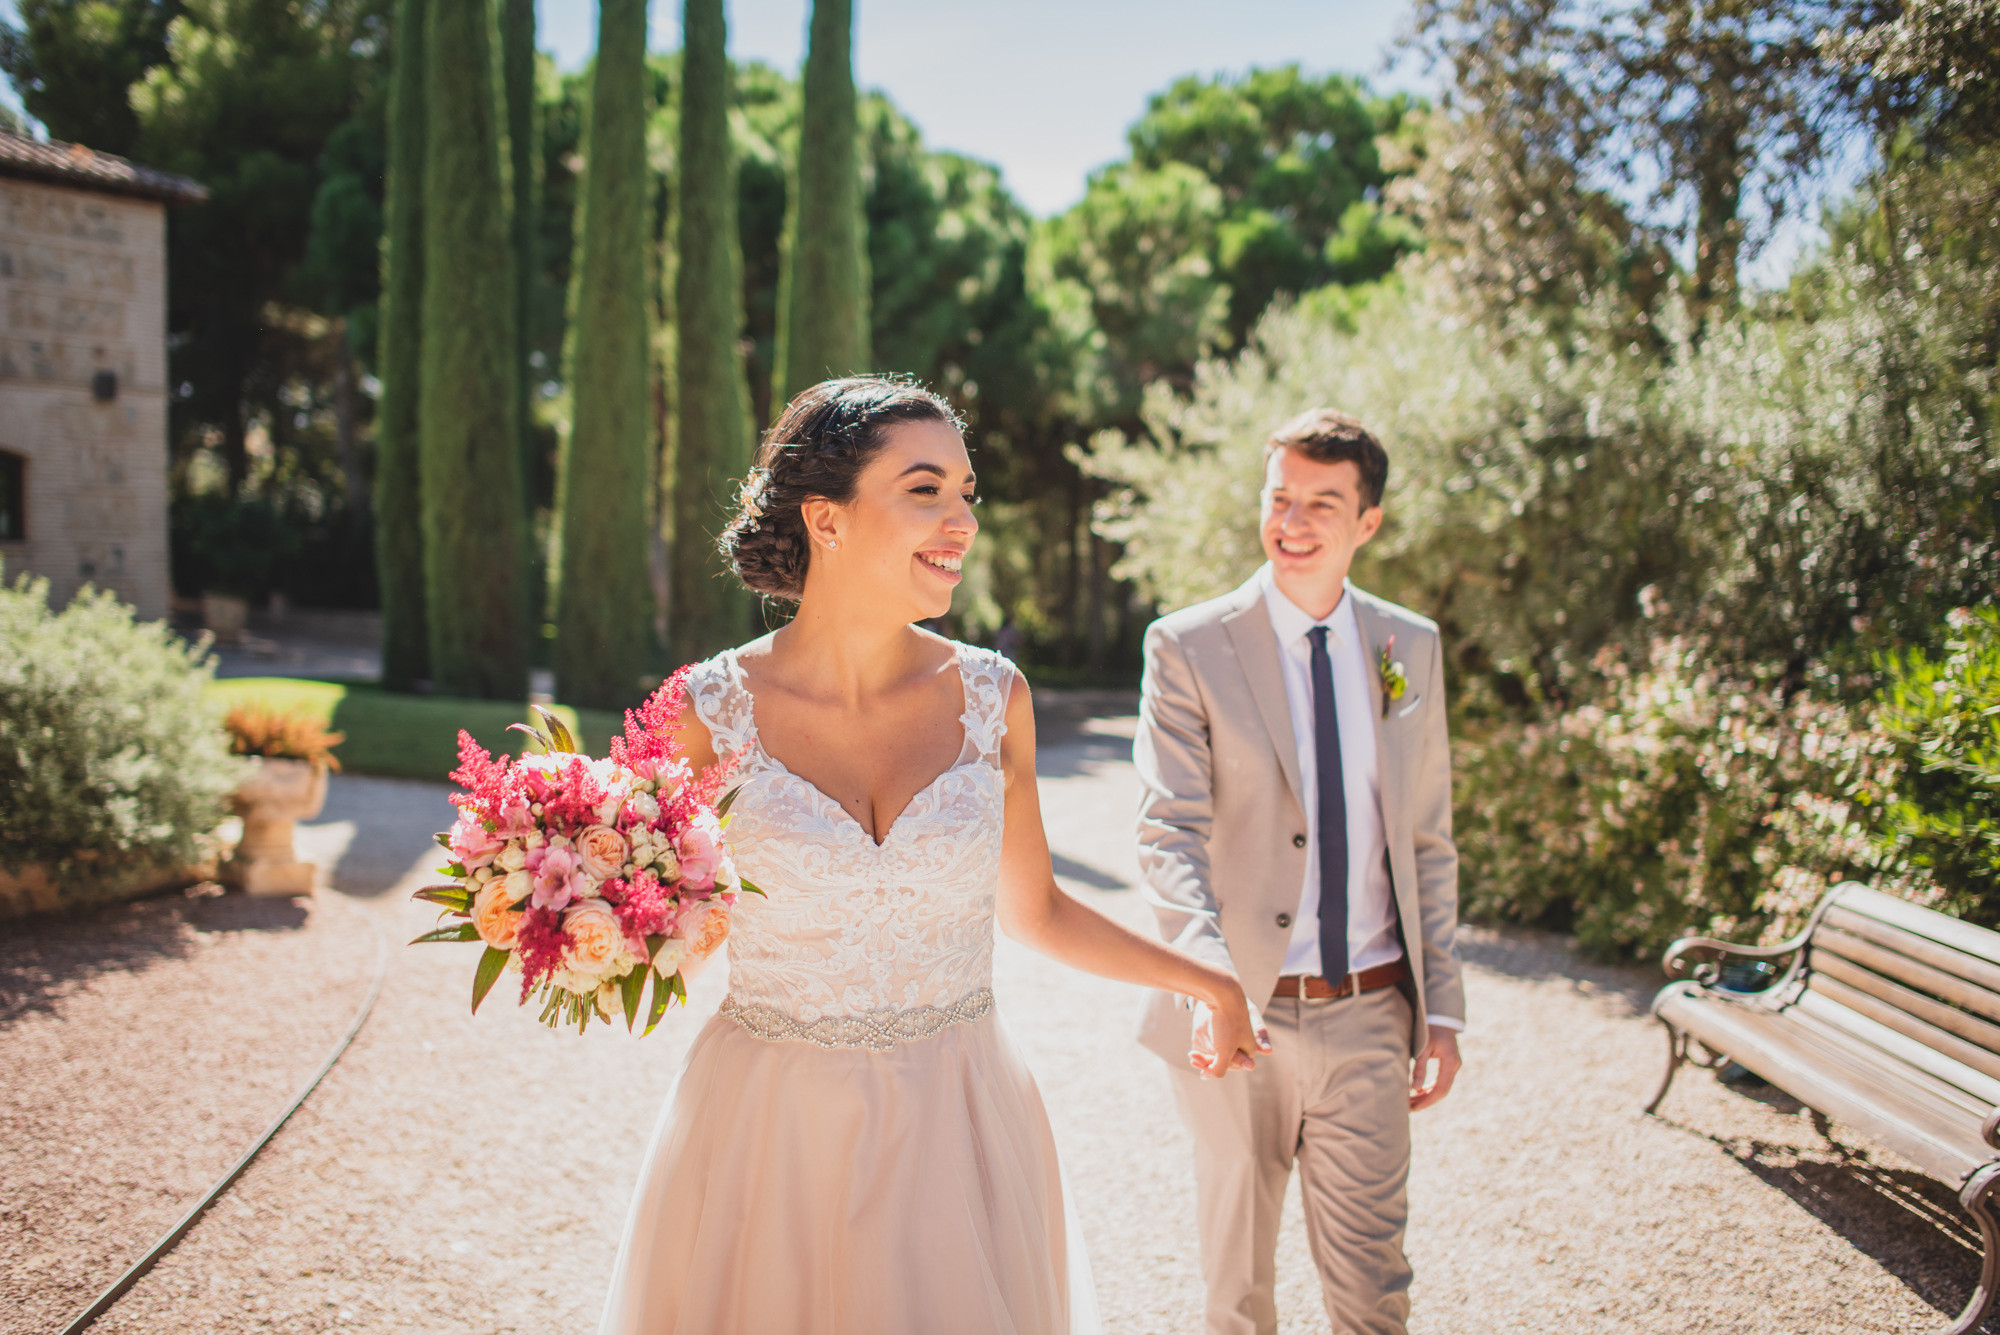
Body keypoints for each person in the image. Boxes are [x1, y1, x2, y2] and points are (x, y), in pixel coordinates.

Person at [598, 376, 1266, 1335]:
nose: (962, 519)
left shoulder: (998, 698)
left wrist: (1205, 980)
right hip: (766, 1128)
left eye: (966, 492)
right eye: (926, 489)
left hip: (961, 1116)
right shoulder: (704, 713)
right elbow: (629, 888)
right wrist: (573, 904)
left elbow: (1034, 910)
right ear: (826, 519)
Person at [1132, 408, 1466, 1335]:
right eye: (1281, 497)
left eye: (1324, 501)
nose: (1295, 520)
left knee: (1374, 1290)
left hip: (1372, 1008)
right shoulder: (1188, 644)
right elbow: (1169, 830)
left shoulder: (1410, 648)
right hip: (1238, 1013)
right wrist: (1207, 983)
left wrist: (1441, 1007)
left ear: (1369, 522)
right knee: (1236, 1293)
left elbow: (1428, 838)